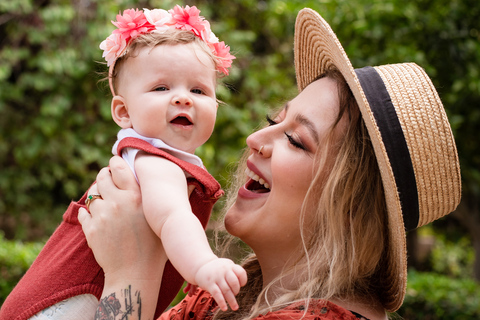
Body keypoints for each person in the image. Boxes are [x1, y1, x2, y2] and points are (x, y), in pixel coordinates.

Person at [77, 7, 462, 320]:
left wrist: (130, 274)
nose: (255, 140)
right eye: (273, 121)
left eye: (295, 140)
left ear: (350, 206)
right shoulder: (223, 302)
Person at [0, 5, 246, 320]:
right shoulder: (155, 161)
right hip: (63, 303)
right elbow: (171, 217)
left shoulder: (144, 157)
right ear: (123, 112)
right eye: (161, 88)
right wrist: (205, 264)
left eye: (198, 90)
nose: (183, 98)